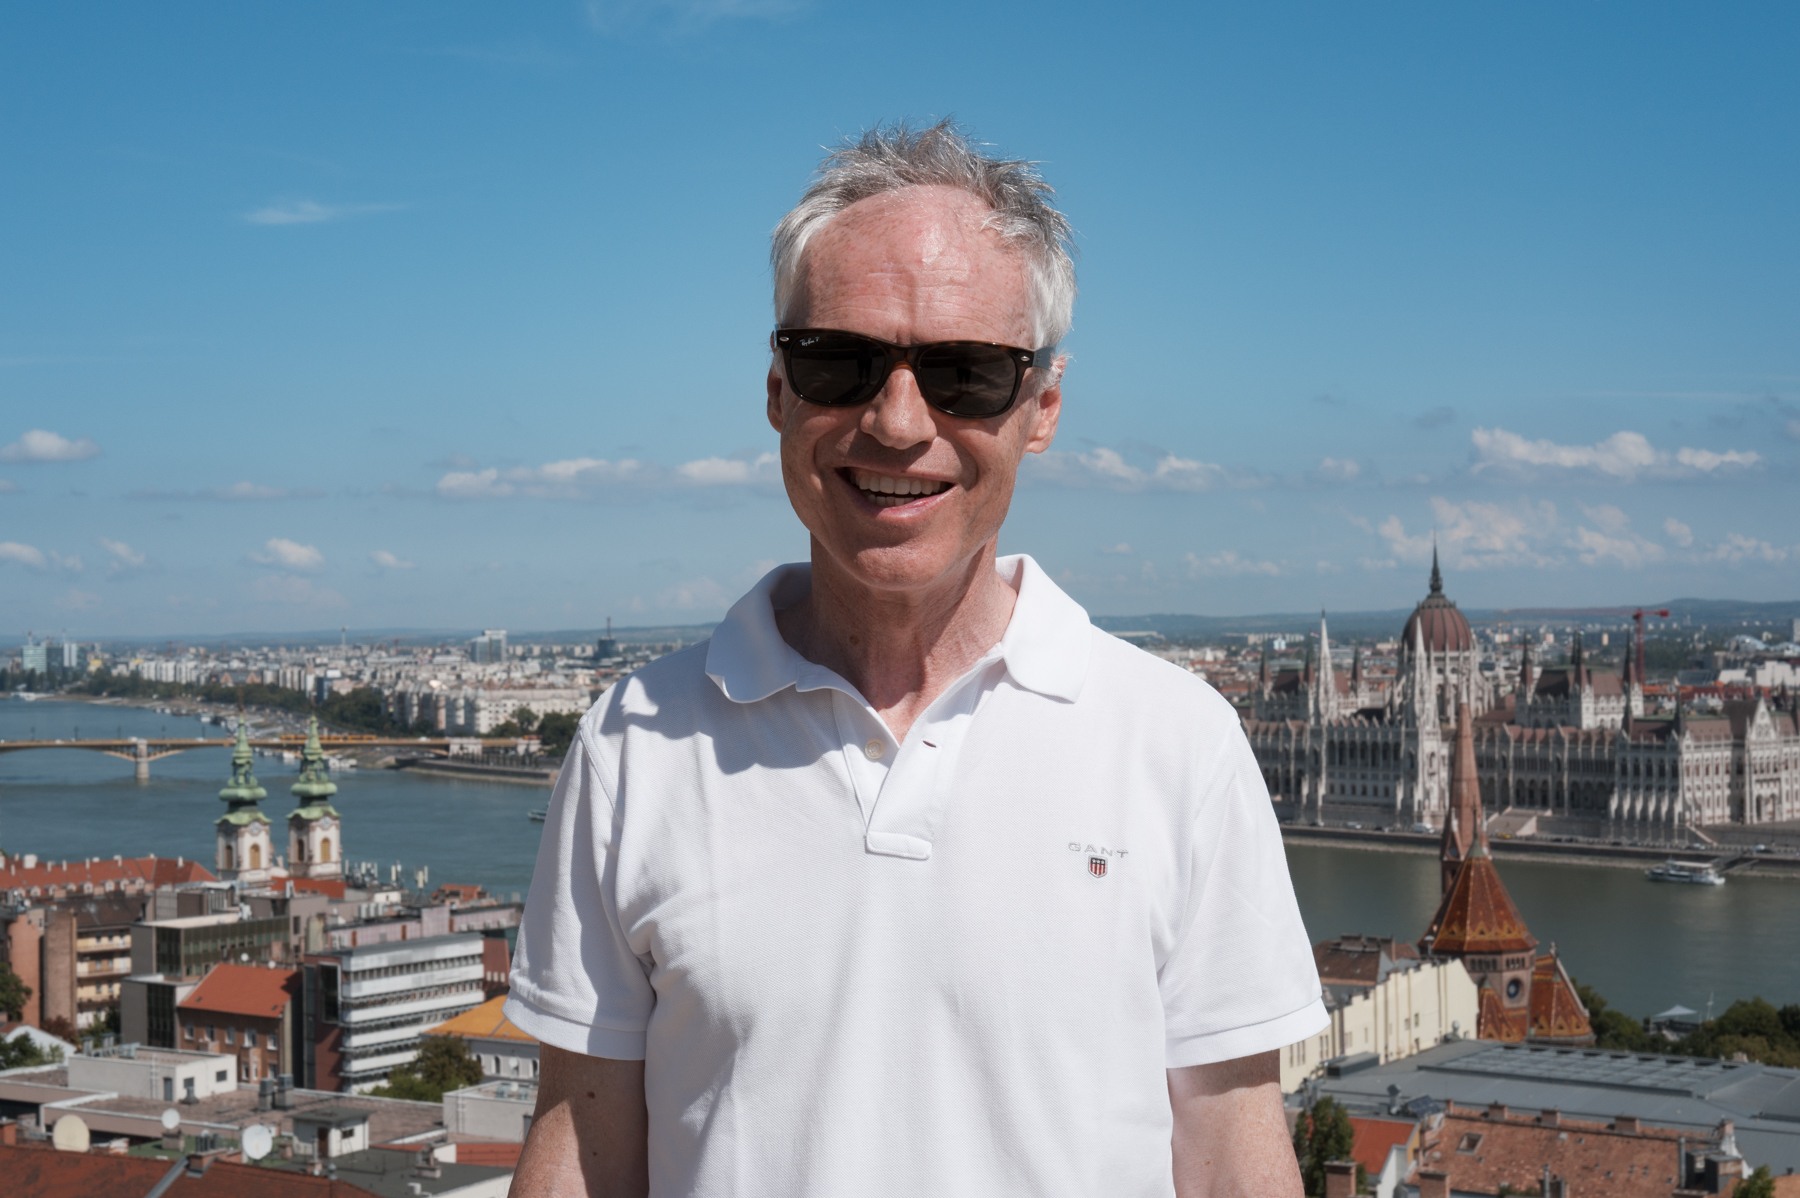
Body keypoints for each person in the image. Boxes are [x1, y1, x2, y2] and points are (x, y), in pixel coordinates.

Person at [505, 120, 1325, 1198]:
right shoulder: (634, 744)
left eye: (966, 374)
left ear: (1043, 409)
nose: (898, 422)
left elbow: (1230, 1163)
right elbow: (581, 1155)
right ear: (776, 393)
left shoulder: (1177, 742)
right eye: (839, 361)